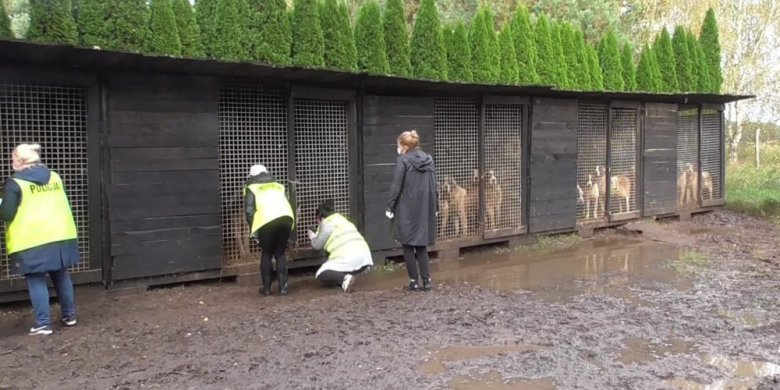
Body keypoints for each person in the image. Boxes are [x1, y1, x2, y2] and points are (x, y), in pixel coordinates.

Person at [0, 144, 79, 335]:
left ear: (20, 160)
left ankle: (43, 324)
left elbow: (7, 213)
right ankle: (69, 315)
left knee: (36, 279)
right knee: (60, 275)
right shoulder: (54, 176)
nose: (11, 163)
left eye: (12, 159)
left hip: (32, 238)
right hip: (61, 234)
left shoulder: (15, 183)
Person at [386, 130, 438, 292]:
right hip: (424, 208)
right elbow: (434, 185)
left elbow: (396, 186)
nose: (398, 148)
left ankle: (414, 282)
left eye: (399, 145)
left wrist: (390, 206)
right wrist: (435, 206)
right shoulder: (429, 160)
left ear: (405, 146)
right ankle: (427, 281)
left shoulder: (403, 160)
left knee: (408, 245)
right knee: (421, 246)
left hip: (407, 209)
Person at [244, 164, 295, 296]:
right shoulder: (278, 185)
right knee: (280, 253)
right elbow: (286, 202)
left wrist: (254, 232)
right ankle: (283, 288)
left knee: (266, 253)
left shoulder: (251, 187)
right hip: (286, 218)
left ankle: (266, 289)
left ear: (252, 176)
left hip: (266, 220)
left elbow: (249, 212)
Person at [308, 200, 373, 292]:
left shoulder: (326, 223)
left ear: (320, 218)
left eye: (317, 221)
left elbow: (317, 245)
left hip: (349, 258)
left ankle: (345, 279)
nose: (317, 224)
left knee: (320, 273)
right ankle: (344, 279)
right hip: (365, 259)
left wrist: (312, 237)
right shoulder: (342, 219)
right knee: (334, 267)